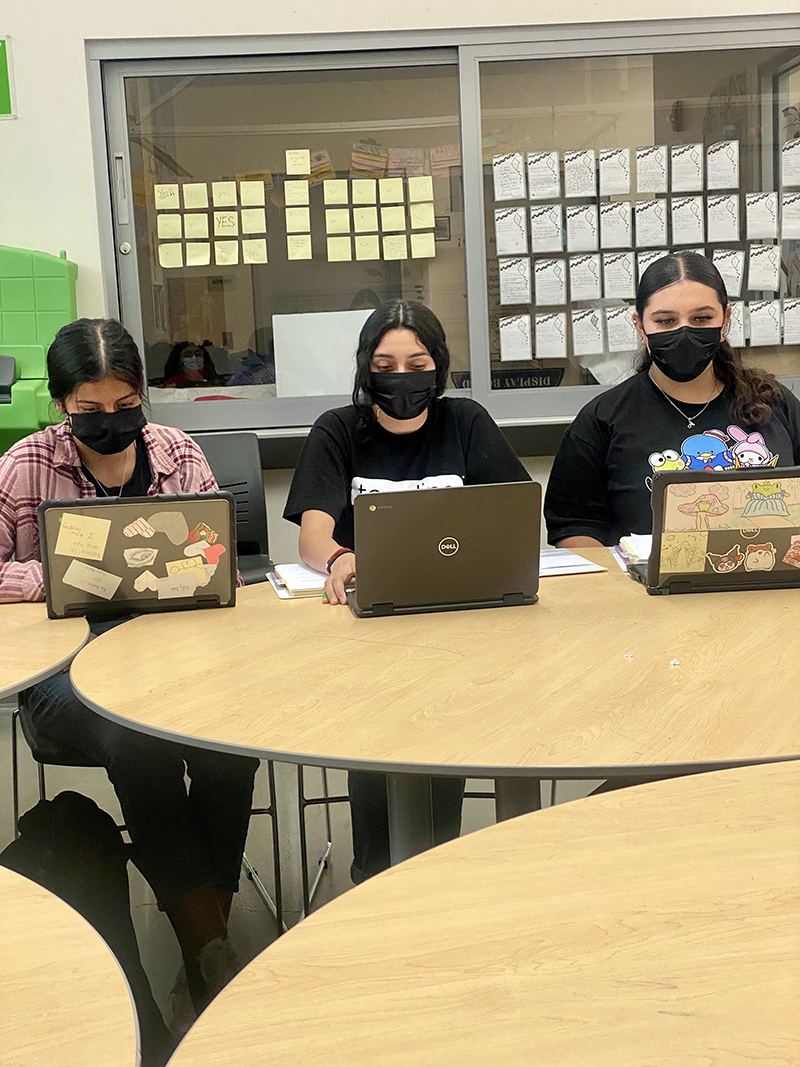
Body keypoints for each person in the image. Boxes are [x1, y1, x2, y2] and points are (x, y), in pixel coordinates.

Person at [0, 318, 259, 1035]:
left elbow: (222, 560)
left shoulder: (178, 453)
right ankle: (208, 946)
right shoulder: (24, 466)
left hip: (178, 657)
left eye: (125, 407)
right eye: (90, 411)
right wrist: (59, 577)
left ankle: (204, 923)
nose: (110, 423)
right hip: (64, 673)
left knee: (230, 737)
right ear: (60, 404)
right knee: (138, 739)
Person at [283, 300, 530, 882]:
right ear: (366, 369)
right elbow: (312, 537)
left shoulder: (467, 422)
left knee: (446, 745)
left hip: (463, 632)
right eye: (385, 363)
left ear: (438, 367)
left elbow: (514, 516)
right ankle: (375, 874)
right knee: (383, 764)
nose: (401, 377)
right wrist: (343, 558)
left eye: (416, 363)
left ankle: (433, 872)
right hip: (369, 638)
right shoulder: (338, 429)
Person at [545, 251, 800, 548]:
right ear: (640, 327)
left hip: (767, 581)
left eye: (701, 318)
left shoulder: (775, 403)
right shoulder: (602, 419)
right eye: (665, 321)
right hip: (646, 592)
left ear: (725, 320)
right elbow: (574, 526)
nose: (684, 332)